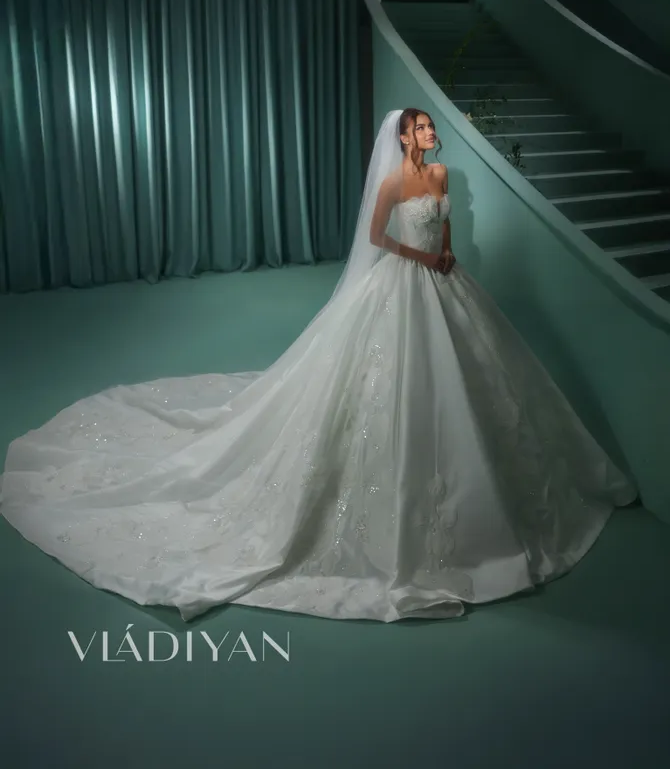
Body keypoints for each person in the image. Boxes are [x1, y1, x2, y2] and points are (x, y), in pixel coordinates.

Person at [0, 108, 637, 622]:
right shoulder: (393, 184)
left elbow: (443, 226)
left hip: (446, 280)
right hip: (402, 283)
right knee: (386, 386)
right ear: (403, 137)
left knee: (476, 379)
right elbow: (378, 239)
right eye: (420, 128)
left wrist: (446, 254)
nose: (429, 133)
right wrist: (422, 259)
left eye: (427, 127)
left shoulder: (440, 175)